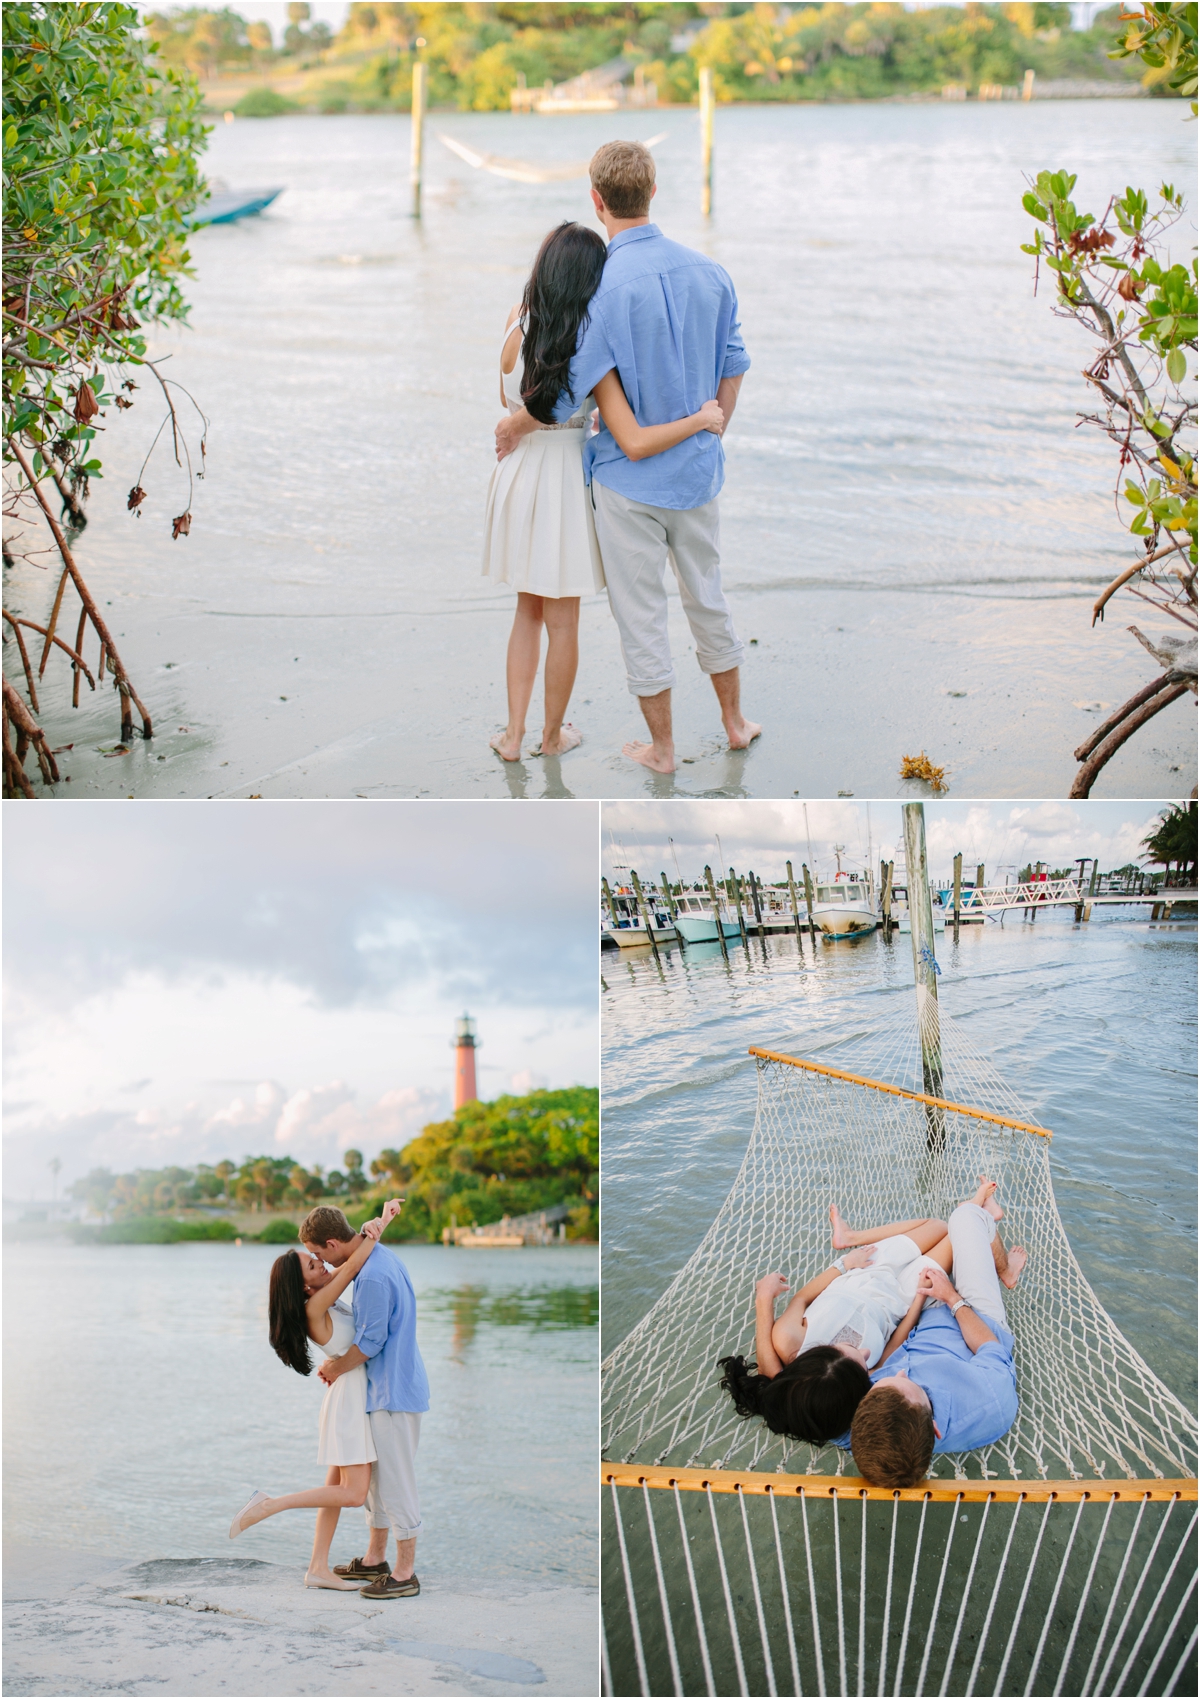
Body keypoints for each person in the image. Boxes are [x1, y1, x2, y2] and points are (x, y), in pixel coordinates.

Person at [496, 139, 757, 775]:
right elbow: (735, 363)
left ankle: (662, 750)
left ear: (596, 200)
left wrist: (514, 425)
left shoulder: (598, 294)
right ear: (654, 190)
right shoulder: (711, 272)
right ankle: (734, 723)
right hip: (697, 472)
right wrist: (711, 429)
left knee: (642, 621)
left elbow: (562, 397)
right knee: (708, 598)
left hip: (627, 483)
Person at [229, 1197, 403, 1591]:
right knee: (354, 1494)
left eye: (317, 1257)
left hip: (349, 1396)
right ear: (304, 1285)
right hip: (348, 1403)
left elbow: (346, 1256)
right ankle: (270, 1504)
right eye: (312, 1264)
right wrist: (377, 1226)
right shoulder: (315, 1306)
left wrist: (378, 1223)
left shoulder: (323, 1296)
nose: (321, 1263)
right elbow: (354, 1262)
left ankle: (317, 1568)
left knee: (334, 1493)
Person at [718, 1204, 952, 1445]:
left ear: (820, 1351)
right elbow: (893, 1344)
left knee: (938, 1226)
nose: (867, 1352)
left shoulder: (789, 1339)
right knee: (953, 1235)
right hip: (902, 1297)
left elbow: (801, 1298)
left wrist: (844, 1263)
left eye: (853, 1351)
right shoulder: (853, 1387)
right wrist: (920, 1296)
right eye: (863, 1363)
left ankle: (849, 1237)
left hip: (863, 1272)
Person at [848, 1180, 1028, 1488]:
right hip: (977, 1314)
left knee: (885, 1259)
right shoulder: (991, 1402)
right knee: (964, 1217)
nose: (901, 1370)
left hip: (924, 1308)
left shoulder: (868, 1423)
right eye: (909, 1383)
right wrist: (951, 1298)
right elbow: (989, 1345)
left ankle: (979, 1221)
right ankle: (1004, 1265)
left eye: (886, 1379)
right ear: (936, 1429)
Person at [302, 1203, 430, 1599]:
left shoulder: (371, 1277)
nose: (321, 1261)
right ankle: (376, 1558)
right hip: (386, 1389)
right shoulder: (376, 1257)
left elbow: (371, 1343)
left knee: (395, 1482)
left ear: (332, 1242)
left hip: (391, 1391)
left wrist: (335, 1368)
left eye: (319, 1254)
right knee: (376, 1481)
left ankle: (405, 1572)